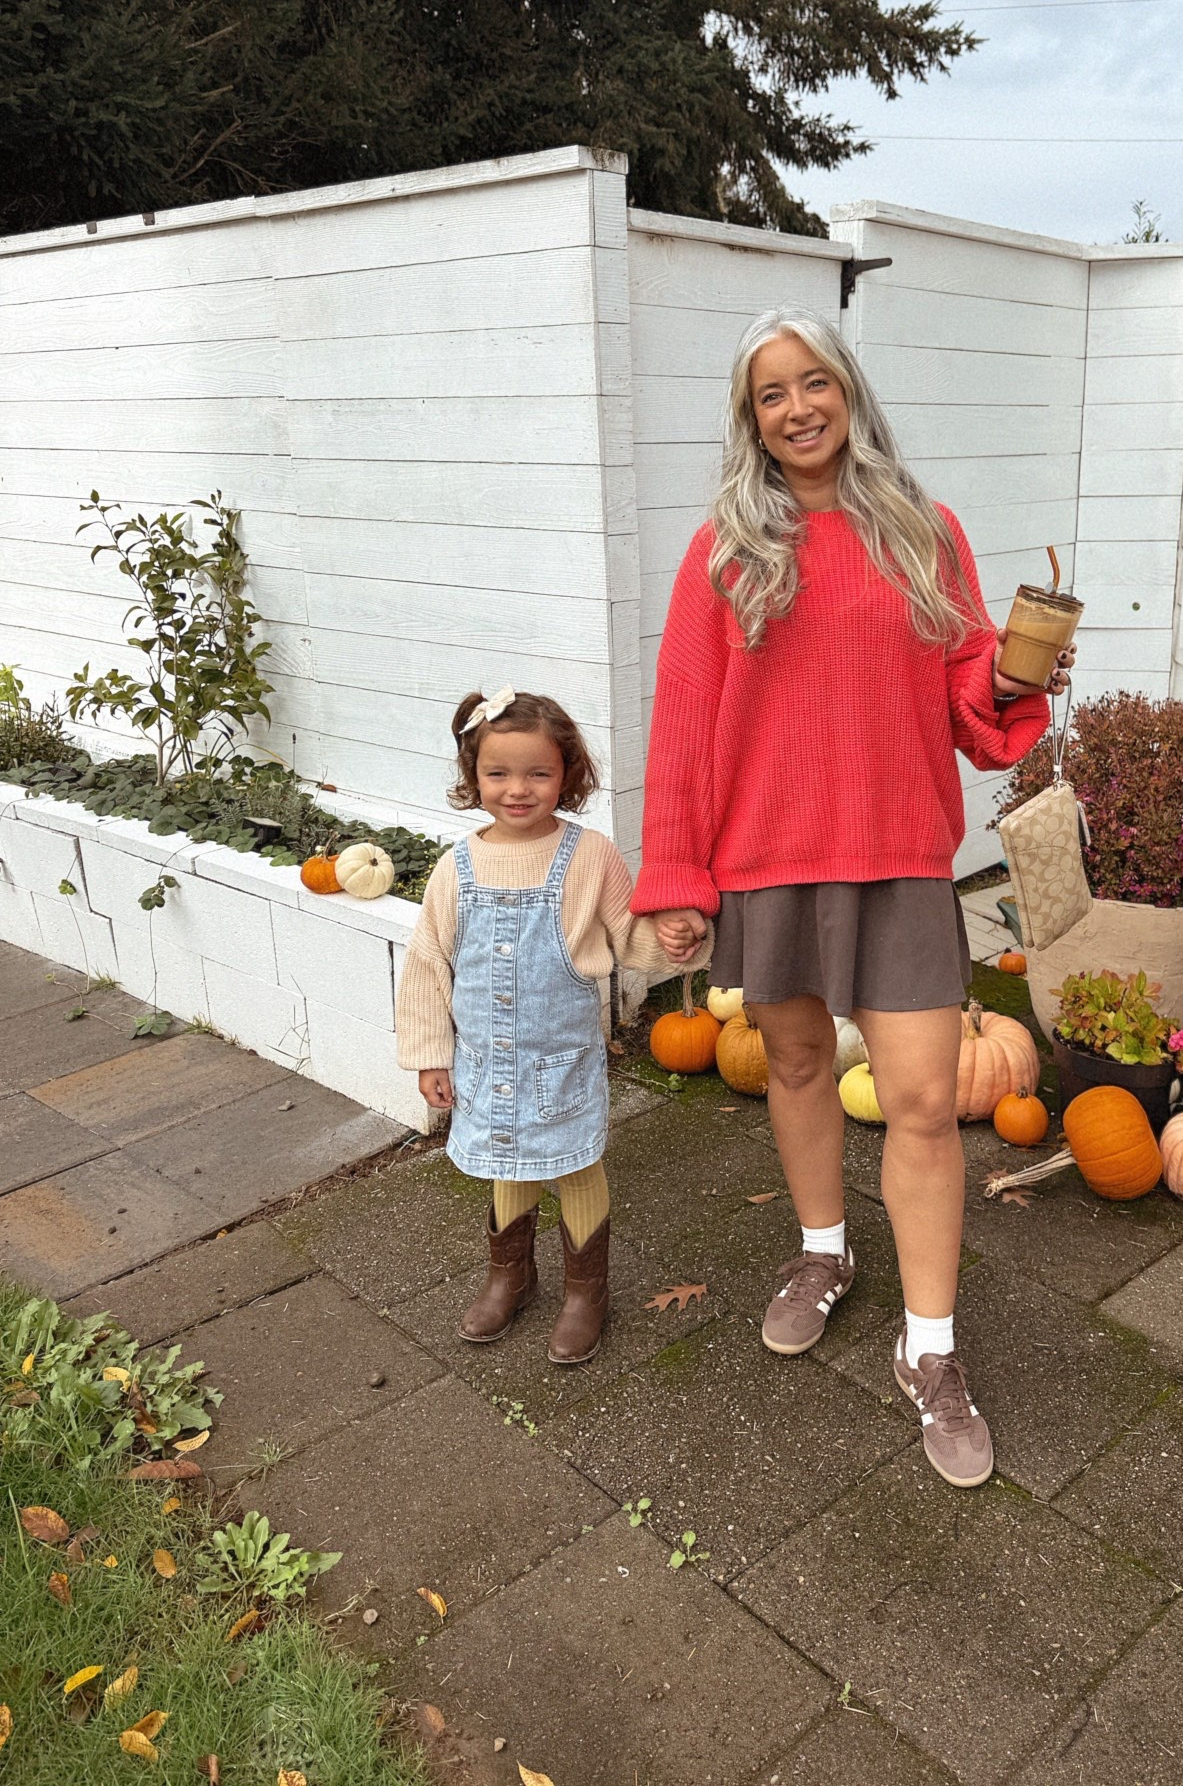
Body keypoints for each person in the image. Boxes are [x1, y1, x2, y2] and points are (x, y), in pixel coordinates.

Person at [630, 310, 1072, 1486]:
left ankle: (930, 1347)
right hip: (769, 853)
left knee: (927, 1102)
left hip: (898, 855)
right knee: (794, 1063)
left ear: (849, 392)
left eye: (812, 381)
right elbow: (682, 717)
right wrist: (675, 874)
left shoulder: (926, 532)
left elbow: (969, 693)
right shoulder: (726, 549)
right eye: (770, 394)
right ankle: (823, 1250)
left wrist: (1017, 667)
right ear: (752, 422)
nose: (796, 407)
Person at [396, 687, 680, 1364]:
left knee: (574, 1162)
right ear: (473, 777)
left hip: (562, 1059)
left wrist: (675, 936)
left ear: (568, 775)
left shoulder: (590, 855)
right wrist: (431, 1054)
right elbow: (427, 961)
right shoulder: (455, 866)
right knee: (506, 1158)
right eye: (498, 774)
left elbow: (630, 940)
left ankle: (587, 1292)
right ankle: (510, 1275)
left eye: (538, 774)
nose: (517, 789)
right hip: (486, 1061)